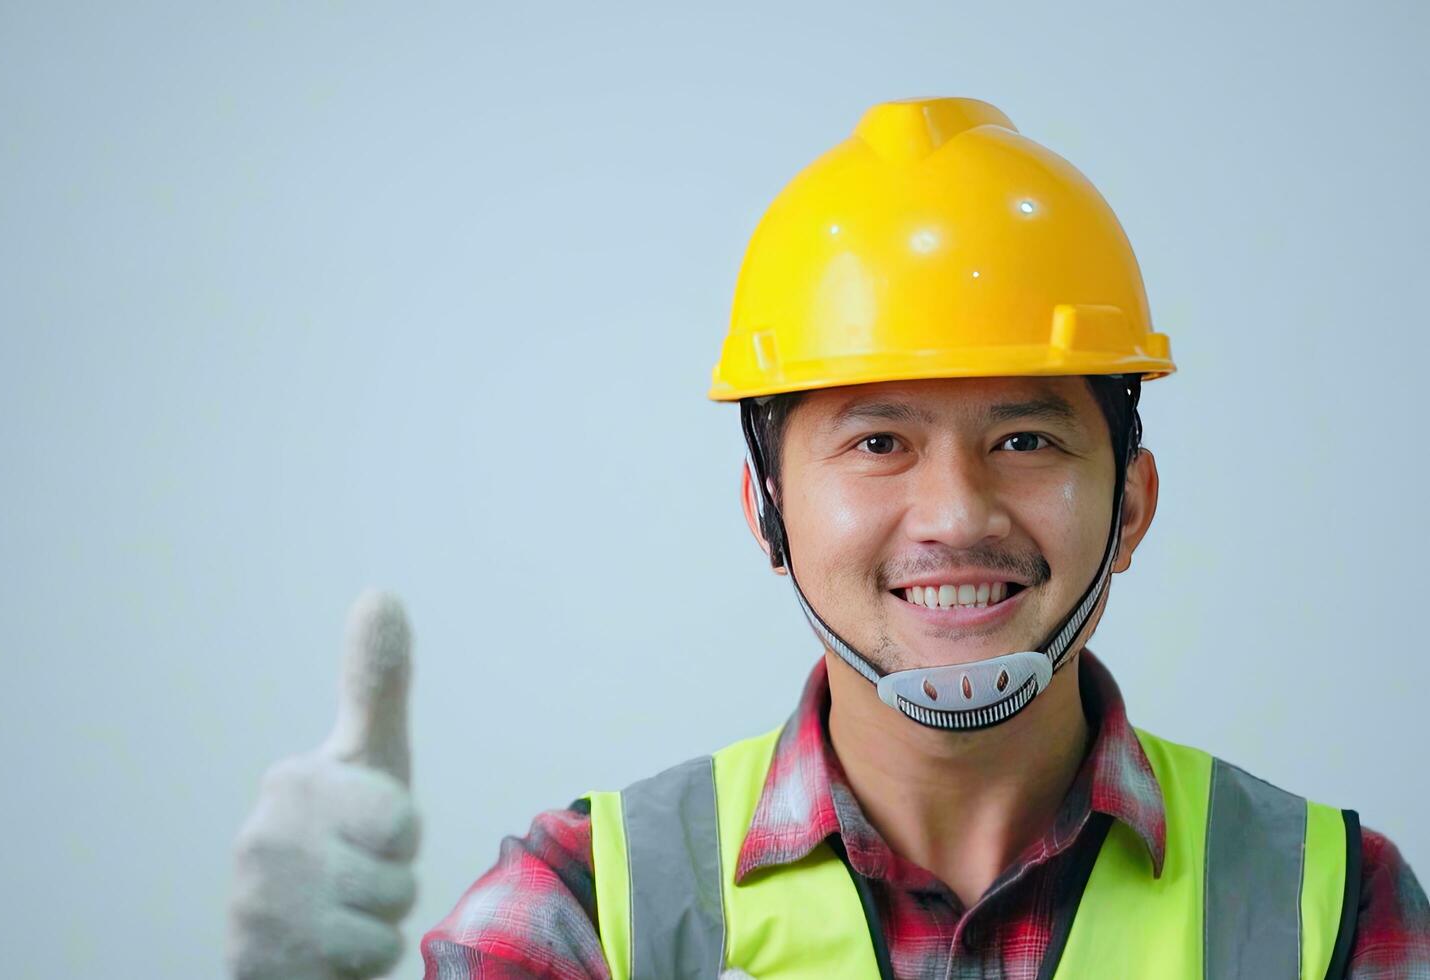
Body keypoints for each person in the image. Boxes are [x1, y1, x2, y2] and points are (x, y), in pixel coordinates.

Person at [227, 97, 1429, 979]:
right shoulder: (596, 902)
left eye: (1024, 438)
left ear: (1132, 504)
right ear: (764, 510)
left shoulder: (1329, 902)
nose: (955, 515)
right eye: (876, 442)